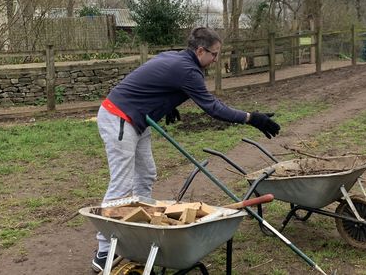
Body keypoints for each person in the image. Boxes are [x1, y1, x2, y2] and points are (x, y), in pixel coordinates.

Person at [91, 26, 280, 272]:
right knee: (121, 184)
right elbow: (213, 108)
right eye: (214, 54)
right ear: (200, 50)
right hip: (120, 118)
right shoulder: (188, 71)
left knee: (146, 174)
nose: (215, 59)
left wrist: (166, 103)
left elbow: (154, 78)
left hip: (137, 119)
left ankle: (140, 231)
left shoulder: (176, 57)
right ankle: (104, 252)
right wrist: (252, 118)